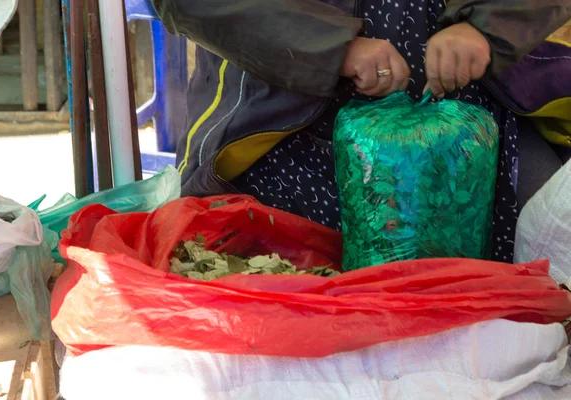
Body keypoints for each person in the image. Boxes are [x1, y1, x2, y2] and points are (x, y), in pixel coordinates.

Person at [151, 0, 571, 263]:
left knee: (544, 260)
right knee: (324, 310)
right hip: (281, 127)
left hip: (486, 116)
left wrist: (489, 24)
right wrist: (331, 47)